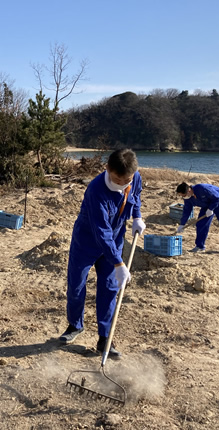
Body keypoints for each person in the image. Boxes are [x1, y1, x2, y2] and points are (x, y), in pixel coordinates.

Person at [59, 148, 145, 357]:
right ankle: (75, 325)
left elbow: (136, 195)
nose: (123, 183)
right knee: (77, 286)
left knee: (109, 289)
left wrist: (136, 217)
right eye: (118, 179)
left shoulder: (134, 178)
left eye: (127, 179)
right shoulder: (96, 190)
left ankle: (105, 339)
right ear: (107, 169)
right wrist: (119, 263)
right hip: (87, 241)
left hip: (115, 239)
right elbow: (101, 231)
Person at [175, 182, 219, 256]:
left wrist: (211, 209)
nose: (183, 197)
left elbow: (217, 197)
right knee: (201, 224)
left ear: (189, 191)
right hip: (207, 204)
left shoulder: (201, 188)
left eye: (183, 195)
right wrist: (182, 224)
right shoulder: (188, 198)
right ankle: (200, 246)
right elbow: (187, 210)